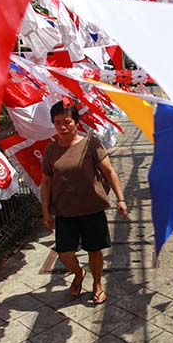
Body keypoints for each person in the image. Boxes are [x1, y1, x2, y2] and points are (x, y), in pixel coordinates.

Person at [40, 100, 127, 304]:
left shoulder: (90, 143)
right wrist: (45, 211)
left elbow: (109, 171)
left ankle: (97, 285)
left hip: (92, 208)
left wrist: (121, 199)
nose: (62, 126)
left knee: (94, 249)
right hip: (64, 210)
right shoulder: (51, 151)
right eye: (58, 122)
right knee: (64, 252)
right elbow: (46, 183)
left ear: (76, 122)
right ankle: (79, 273)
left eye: (67, 122)